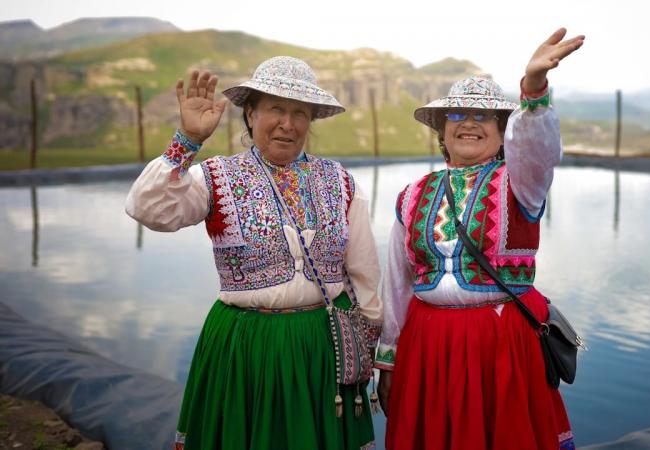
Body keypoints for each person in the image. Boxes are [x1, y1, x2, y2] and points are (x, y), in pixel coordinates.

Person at [125, 56, 382, 450]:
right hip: (245, 344)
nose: (288, 123)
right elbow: (148, 209)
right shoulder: (216, 177)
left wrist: (368, 349)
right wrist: (186, 142)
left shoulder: (340, 181)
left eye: (300, 113)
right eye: (276, 108)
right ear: (251, 113)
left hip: (320, 344)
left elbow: (364, 272)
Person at [375, 28, 583, 450]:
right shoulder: (412, 195)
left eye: (482, 116)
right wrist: (388, 362)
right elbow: (397, 284)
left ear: (502, 130)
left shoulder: (520, 183)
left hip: (500, 346)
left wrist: (535, 89)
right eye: (456, 115)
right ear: (442, 130)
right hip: (429, 346)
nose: (468, 122)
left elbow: (538, 149)